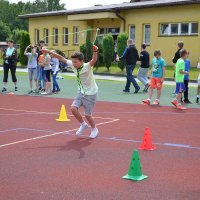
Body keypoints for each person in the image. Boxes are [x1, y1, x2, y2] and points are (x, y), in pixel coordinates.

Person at [41, 45, 99, 138]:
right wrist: (48, 51)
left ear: (81, 61)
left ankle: (94, 129)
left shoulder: (87, 66)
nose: (73, 64)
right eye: (72, 62)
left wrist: (95, 51)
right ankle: (83, 124)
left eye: (75, 62)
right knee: (73, 109)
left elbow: (94, 60)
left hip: (91, 93)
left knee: (88, 115)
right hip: (81, 91)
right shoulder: (72, 64)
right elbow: (61, 58)